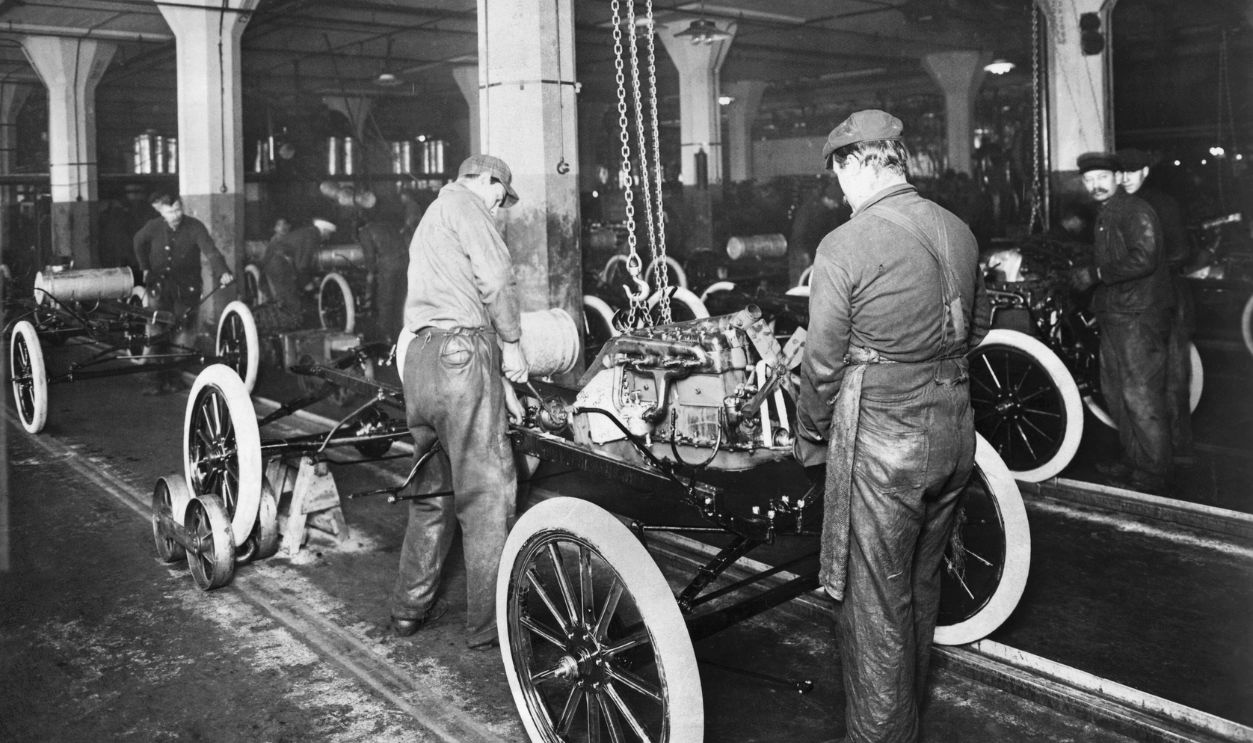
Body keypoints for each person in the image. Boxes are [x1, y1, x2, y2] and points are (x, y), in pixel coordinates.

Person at [795, 110, 988, 743]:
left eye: (839, 178)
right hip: (956, 432)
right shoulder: (957, 229)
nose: (838, 193)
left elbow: (821, 364)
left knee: (876, 603)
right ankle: (907, 719)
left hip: (885, 444)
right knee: (920, 586)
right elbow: (975, 330)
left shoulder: (843, 245)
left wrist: (812, 437)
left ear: (857, 164)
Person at [390, 154, 529, 649]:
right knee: (487, 495)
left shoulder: (432, 214)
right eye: (500, 195)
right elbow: (496, 277)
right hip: (459, 357)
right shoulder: (469, 207)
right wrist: (511, 346)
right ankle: (490, 627)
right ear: (488, 180)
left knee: (432, 493)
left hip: (421, 361)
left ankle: (409, 608)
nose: (500, 206)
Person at [1069, 151, 1173, 493]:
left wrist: (1098, 273)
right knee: (1116, 392)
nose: (1095, 185)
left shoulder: (1134, 210)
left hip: (1137, 317)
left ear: (1117, 178)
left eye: (1102, 178)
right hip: (1116, 315)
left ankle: (1155, 471)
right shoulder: (1107, 213)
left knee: (1141, 393)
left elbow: (1145, 256)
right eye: (1089, 180)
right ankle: (1133, 460)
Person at [1116, 148, 1195, 467]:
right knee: (1165, 377)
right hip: (1162, 295)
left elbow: (1179, 252)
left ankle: (1172, 454)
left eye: (1132, 172)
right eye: (1120, 173)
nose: (1125, 178)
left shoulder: (1156, 204)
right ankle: (1174, 451)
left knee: (1168, 377)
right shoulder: (1129, 205)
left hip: (1166, 296)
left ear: (1145, 171)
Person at [132, 192, 234, 395]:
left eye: (179, 209)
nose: (176, 214)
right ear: (161, 211)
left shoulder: (195, 226)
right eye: (171, 211)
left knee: (183, 336)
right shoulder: (153, 227)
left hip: (186, 291)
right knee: (156, 333)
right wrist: (144, 267)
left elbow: (211, 251)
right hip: (158, 289)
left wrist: (223, 271)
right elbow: (138, 241)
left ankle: (173, 378)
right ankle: (154, 380)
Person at [357, 210, 409, 344]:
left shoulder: (365, 231)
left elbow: (369, 257)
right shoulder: (389, 226)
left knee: (385, 302)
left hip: (388, 268)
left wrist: (370, 273)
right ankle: (400, 336)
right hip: (405, 264)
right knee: (400, 302)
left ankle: (385, 339)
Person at [787, 178, 846, 285]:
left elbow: (832, 233)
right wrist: (803, 253)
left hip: (814, 252)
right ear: (827, 199)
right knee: (799, 286)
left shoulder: (830, 212)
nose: (836, 206)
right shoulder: (808, 209)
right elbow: (798, 232)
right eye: (835, 203)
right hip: (801, 253)